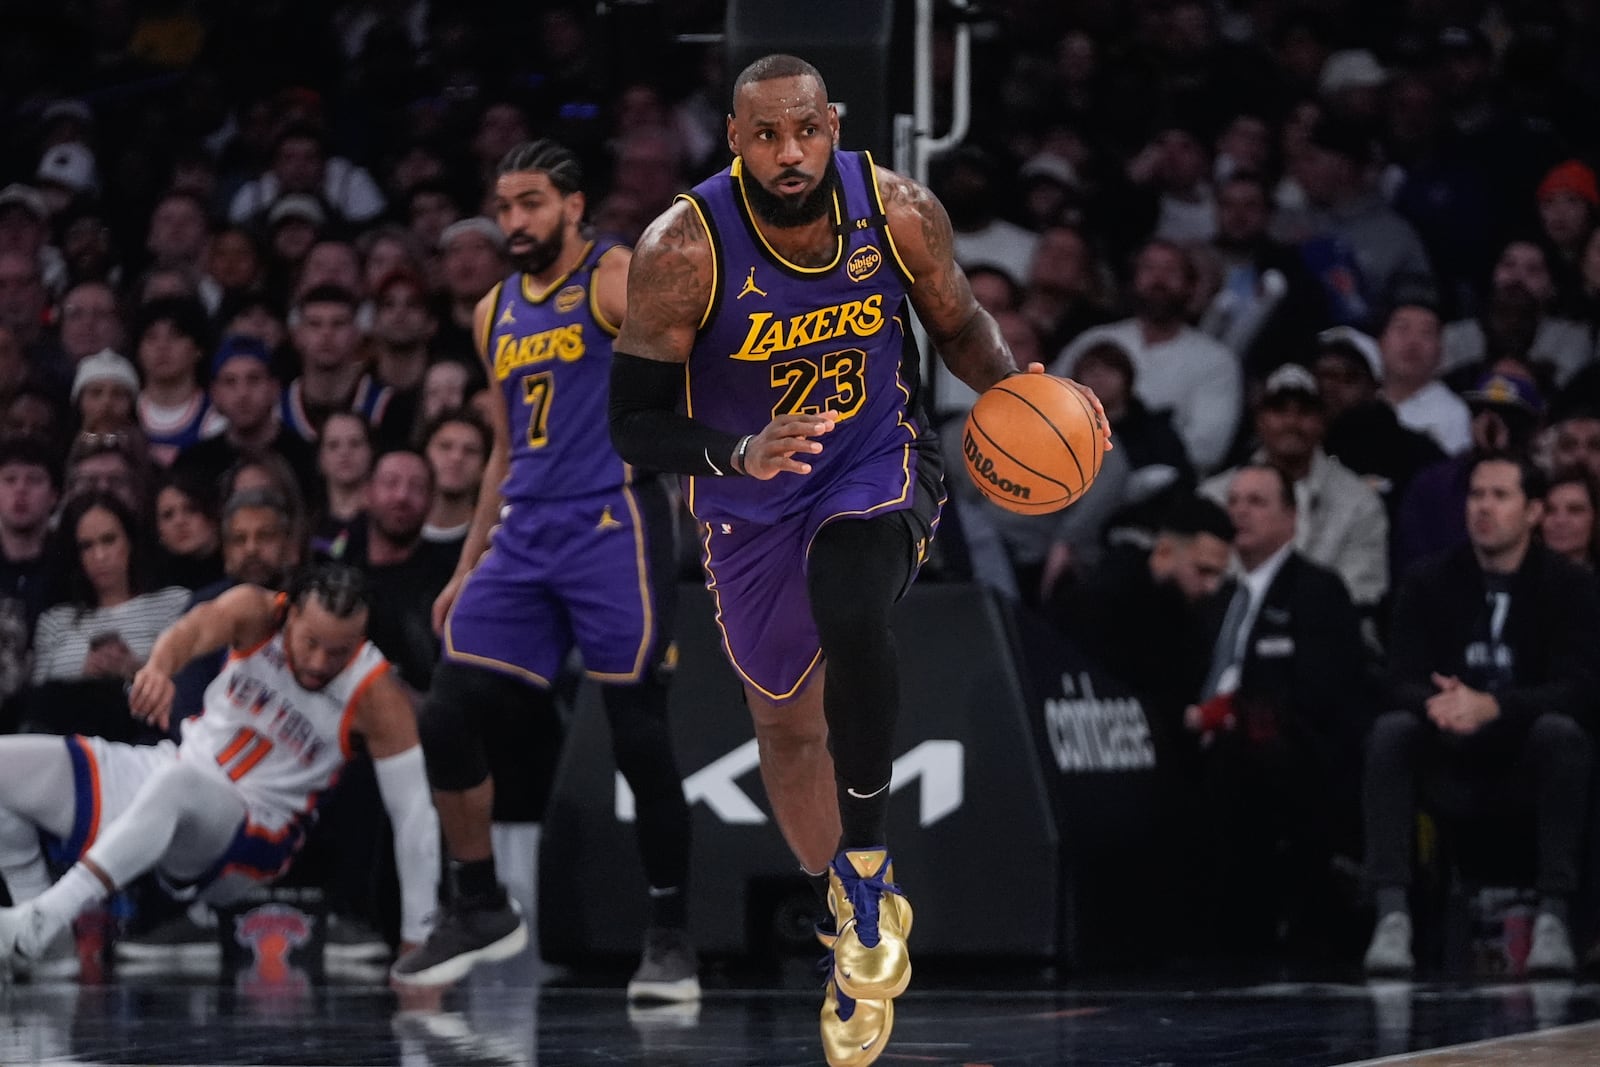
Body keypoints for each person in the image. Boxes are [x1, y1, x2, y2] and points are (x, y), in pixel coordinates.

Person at [604, 55, 1109, 1065]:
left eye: (806, 130)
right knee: (785, 732)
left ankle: (870, 867)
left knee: (851, 591)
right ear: (735, 139)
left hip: (874, 458)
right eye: (765, 135)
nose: (790, 153)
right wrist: (739, 452)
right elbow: (632, 426)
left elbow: (958, 322)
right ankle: (847, 921)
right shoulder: (681, 248)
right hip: (747, 492)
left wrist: (1017, 392)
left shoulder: (898, 210)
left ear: (831, 123)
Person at [390, 139, 698, 1005]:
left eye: (531, 203)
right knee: (447, 713)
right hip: (523, 533)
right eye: (505, 205)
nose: (513, 221)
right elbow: (501, 448)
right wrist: (465, 561)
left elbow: (692, 366)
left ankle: (671, 934)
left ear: (573, 204)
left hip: (613, 520)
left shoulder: (613, 277)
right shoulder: (492, 311)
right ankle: (481, 899)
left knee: (638, 735)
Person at [0, 565, 439, 974]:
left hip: (253, 836)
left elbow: (414, 816)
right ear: (288, 613)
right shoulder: (255, 612)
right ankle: (48, 947)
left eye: (339, 651)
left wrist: (417, 942)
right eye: (311, 643)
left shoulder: (377, 695)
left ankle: (47, 916)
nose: (321, 662)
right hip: (181, 770)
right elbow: (191, 631)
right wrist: (158, 669)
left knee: (178, 784)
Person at [1362, 455, 1599, 977]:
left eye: (1499, 496)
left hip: (1524, 756)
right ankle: (1392, 915)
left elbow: (1580, 688)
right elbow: (1396, 677)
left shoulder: (1570, 586)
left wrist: (1494, 706)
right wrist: (1442, 703)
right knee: (1390, 733)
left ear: (1533, 511)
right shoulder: (1429, 581)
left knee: (1564, 736)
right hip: (1448, 750)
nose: (1483, 508)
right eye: (1476, 496)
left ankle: (1555, 918)